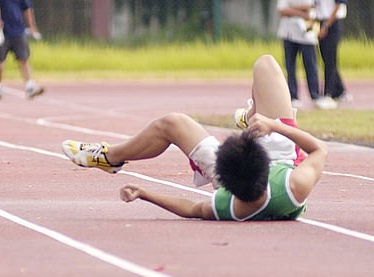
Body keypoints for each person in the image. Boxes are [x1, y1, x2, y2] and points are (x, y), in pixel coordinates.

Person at [61, 55, 327, 222]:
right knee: (266, 64)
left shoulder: (230, 204)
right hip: (280, 158)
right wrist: (273, 126)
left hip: (246, 174)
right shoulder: (295, 184)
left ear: (221, 178)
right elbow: (319, 150)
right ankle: (252, 115)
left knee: (171, 123)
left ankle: (111, 157)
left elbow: (190, 209)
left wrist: (145, 193)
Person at [277, 0, 335, 110]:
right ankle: (293, 96)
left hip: (307, 34)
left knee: (311, 66)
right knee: (290, 66)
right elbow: (282, 10)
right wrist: (301, 13)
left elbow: (311, 5)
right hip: (288, 33)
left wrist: (292, 9)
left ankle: (315, 95)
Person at [0, 0, 43, 100]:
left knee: (23, 59)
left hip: (18, 30)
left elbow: (27, 8)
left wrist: (31, 26)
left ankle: (29, 86)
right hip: (1, 31)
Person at [316, 0, 349, 103]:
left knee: (330, 58)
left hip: (332, 22)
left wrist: (326, 25)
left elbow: (339, 5)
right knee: (326, 58)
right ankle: (340, 91)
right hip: (319, 21)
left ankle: (328, 93)